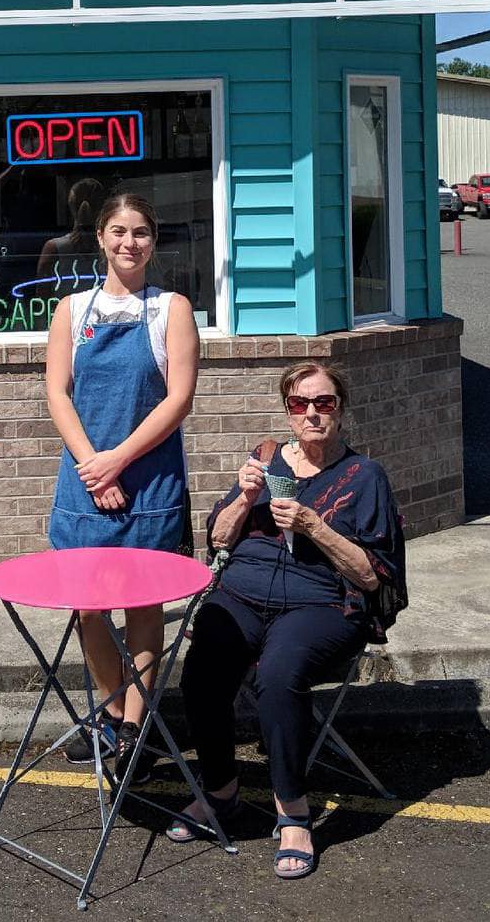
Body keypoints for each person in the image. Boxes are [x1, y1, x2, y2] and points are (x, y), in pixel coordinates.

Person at [169, 362, 403, 879]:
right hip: (243, 591)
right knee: (203, 668)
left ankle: (293, 811)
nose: (313, 414)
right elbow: (221, 539)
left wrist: (314, 526)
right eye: (301, 405)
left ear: (340, 409)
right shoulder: (267, 458)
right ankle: (221, 793)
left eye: (324, 403)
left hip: (319, 602)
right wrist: (246, 496)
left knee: (279, 675)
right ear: (288, 411)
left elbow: (371, 575)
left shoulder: (364, 477)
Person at [42, 191, 199, 769]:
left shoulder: (171, 309)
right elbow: (58, 393)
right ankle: (110, 716)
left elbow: (178, 399)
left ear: (152, 243)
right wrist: (93, 465)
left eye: (140, 233)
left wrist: (119, 461)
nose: (129, 242)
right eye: (118, 231)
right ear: (101, 238)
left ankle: (136, 726)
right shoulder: (72, 311)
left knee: (143, 607)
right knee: (87, 608)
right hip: (83, 482)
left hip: (150, 482)